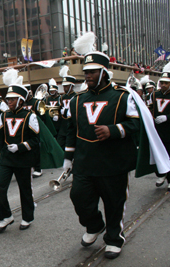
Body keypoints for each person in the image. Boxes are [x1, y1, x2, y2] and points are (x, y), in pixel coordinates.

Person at [65, 36, 140, 259]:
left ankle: (115, 238)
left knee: (114, 203)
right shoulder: (76, 100)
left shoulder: (123, 96)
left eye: (92, 72)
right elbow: (71, 130)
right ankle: (95, 225)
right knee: (78, 197)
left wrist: (114, 130)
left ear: (104, 73)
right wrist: (68, 159)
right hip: (85, 162)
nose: (87, 76)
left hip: (113, 162)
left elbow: (136, 124)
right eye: (85, 72)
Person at [0, 68, 40, 233]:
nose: (9, 102)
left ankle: (27, 217)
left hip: (24, 159)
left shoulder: (30, 117)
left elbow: (36, 141)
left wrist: (20, 147)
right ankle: (6, 216)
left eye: (13, 99)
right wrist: (0, 154)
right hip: (7, 159)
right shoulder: (3, 115)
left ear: (21, 100)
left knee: (25, 190)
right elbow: (0, 138)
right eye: (8, 99)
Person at [151, 62, 170, 189]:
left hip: (169, 128)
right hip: (157, 129)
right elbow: (150, 108)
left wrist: (167, 117)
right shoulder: (154, 94)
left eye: (166, 83)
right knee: (158, 152)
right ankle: (161, 174)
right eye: (161, 82)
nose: (163, 85)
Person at [22, 84, 42, 177]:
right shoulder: (22, 102)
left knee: (35, 147)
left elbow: (41, 115)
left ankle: (38, 168)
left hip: (34, 126)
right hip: (23, 128)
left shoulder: (36, 102)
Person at [57, 66, 77, 150]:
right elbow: (59, 109)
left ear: (71, 86)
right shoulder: (62, 97)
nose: (64, 88)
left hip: (71, 124)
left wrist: (65, 111)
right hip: (63, 125)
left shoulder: (76, 96)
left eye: (66, 86)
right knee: (59, 145)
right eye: (64, 86)